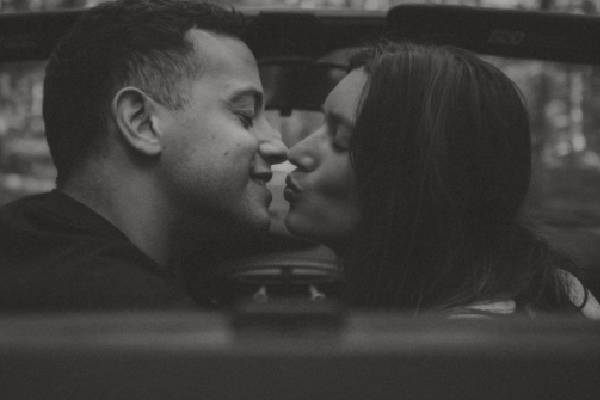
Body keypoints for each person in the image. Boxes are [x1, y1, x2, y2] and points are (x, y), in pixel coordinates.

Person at [0, 0, 287, 311]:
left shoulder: (28, 246)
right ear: (142, 123)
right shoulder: (133, 313)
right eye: (244, 115)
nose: (278, 146)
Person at [284, 41, 600, 318]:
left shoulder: (459, 350)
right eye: (321, 125)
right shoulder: (549, 287)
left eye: (340, 139)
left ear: (413, 181)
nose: (296, 152)